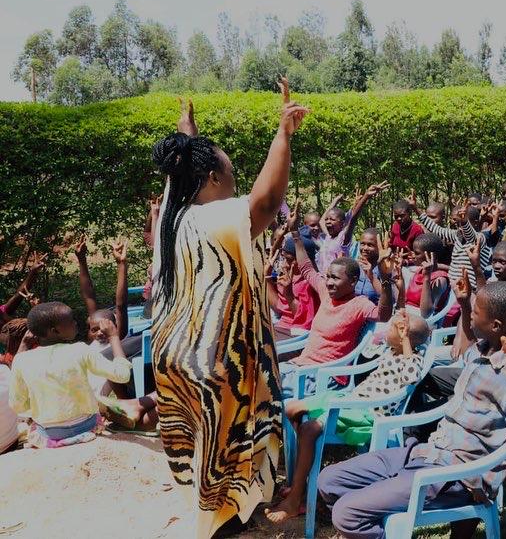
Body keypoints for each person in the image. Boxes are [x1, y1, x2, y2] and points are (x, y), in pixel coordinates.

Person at [149, 87, 308, 537]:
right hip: (216, 361)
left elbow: (177, 177)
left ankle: (226, 512)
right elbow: (266, 203)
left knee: (200, 448)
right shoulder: (214, 219)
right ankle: (220, 526)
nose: (236, 180)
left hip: (175, 358)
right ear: (213, 178)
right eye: (231, 172)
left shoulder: (172, 218)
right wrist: (282, 135)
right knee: (224, 454)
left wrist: (188, 135)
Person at [317, 281, 506, 539]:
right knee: (329, 481)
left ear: (495, 326)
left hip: (457, 476)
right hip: (426, 452)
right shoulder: (482, 350)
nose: (471, 314)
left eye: (476, 311)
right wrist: (464, 305)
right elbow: (462, 350)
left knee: (346, 513)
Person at [266, 310, 431, 524]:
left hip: (365, 412)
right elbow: (369, 350)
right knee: (291, 409)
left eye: (392, 328)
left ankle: (296, 499)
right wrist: (398, 328)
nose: (387, 330)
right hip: (350, 399)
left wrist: (406, 339)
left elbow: (412, 376)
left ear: (404, 337)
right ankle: (303, 481)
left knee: (309, 429)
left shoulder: (412, 359)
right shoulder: (392, 351)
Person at [281, 231, 395, 398]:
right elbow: (307, 268)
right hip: (300, 367)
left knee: (266, 390)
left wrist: (385, 278)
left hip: (324, 377)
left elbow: (383, 316)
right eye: (327, 277)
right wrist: (296, 236)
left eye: (335, 278)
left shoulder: (359, 304)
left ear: (353, 281)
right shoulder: (326, 293)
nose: (328, 282)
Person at [9, 302, 131, 447]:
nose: (75, 323)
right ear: (54, 331)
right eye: (71, 320)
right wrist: (114, 337)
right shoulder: (80, 350)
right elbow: (123, 375)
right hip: (86, 427)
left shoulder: (22, 360)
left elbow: (17, 405)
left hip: (49, 434)